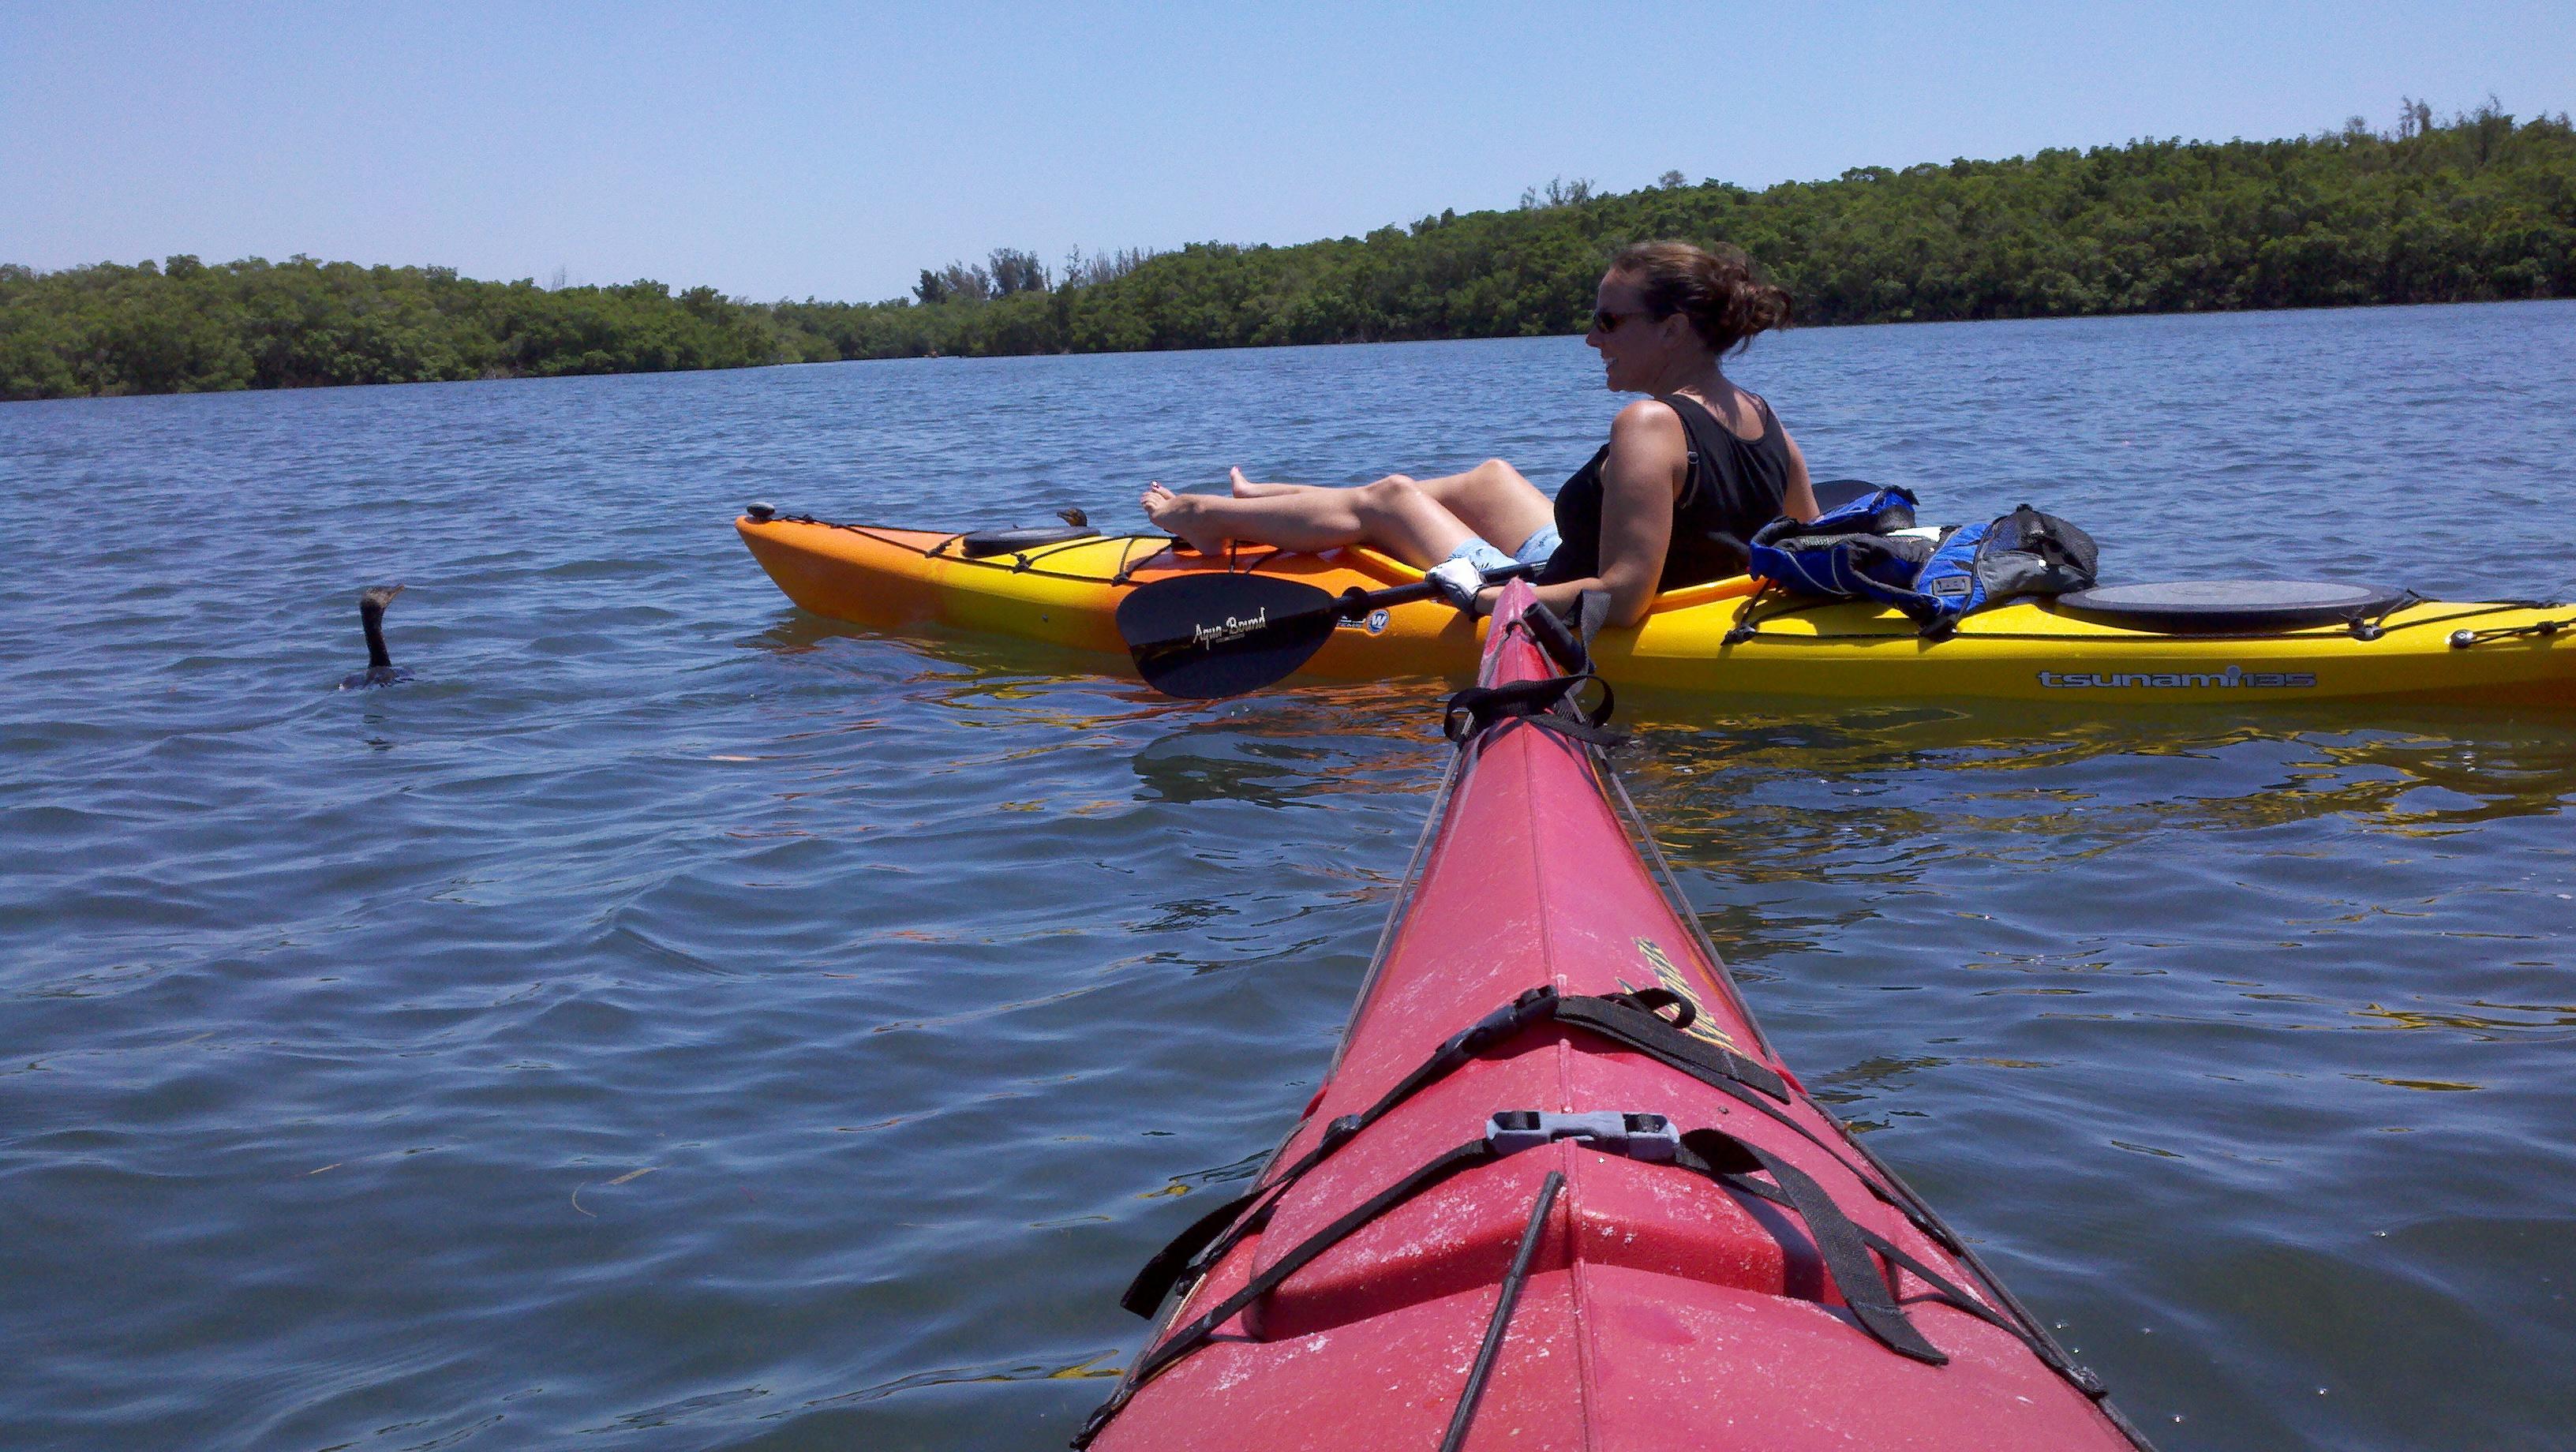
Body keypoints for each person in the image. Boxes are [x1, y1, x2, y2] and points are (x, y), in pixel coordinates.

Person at [1139, 240, 1821, 626]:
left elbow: (1620, 597)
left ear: (1673, 328)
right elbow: (1807, 543)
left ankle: (1205, 516)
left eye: (1608, 322)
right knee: (1489, 478)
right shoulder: (1762, 413)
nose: (1591, 339)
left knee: (1392, 499)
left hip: (1562, 591)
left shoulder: (1647, 424)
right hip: (1604, 566)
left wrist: (1489, 598)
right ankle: (1275, 499)